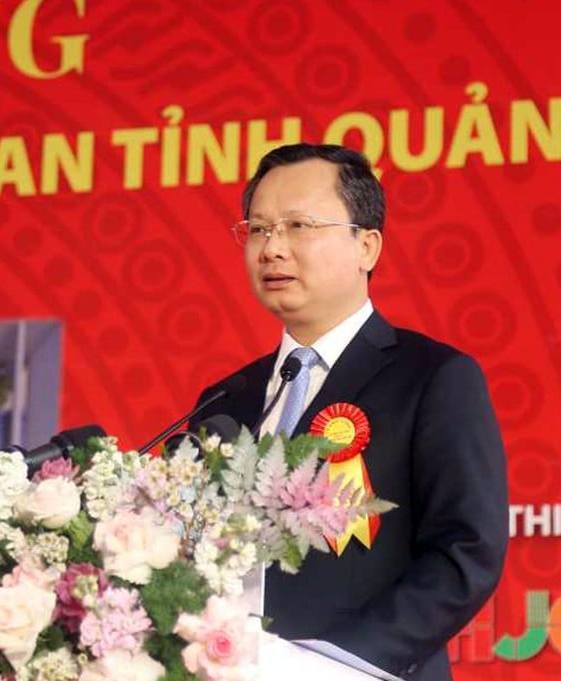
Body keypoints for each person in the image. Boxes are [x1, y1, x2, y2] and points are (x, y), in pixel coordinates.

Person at [190, 143, 508, 681]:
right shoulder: (226, 398)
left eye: (299, 226)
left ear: (367, 246)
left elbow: (465, 552)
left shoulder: (432, 377)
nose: (272, 248)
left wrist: (326, 666)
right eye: (260, 229)